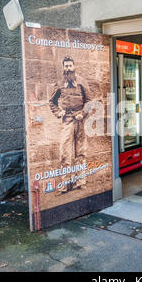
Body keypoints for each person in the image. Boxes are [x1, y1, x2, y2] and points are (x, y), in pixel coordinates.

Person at [49, 56, 89, 190]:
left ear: (74, 66)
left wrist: (82, 114)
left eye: (70, 65)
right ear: (63, 68)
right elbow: (51, 102)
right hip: (67, 121)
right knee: (65, 153)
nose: (68, 68)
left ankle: (81, 182)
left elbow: (89, 101)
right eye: (66, 66)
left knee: (81, 153)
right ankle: (66, 184)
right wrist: (58, 112)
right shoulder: (60, 83)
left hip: (80, 121)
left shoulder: (82, 82)